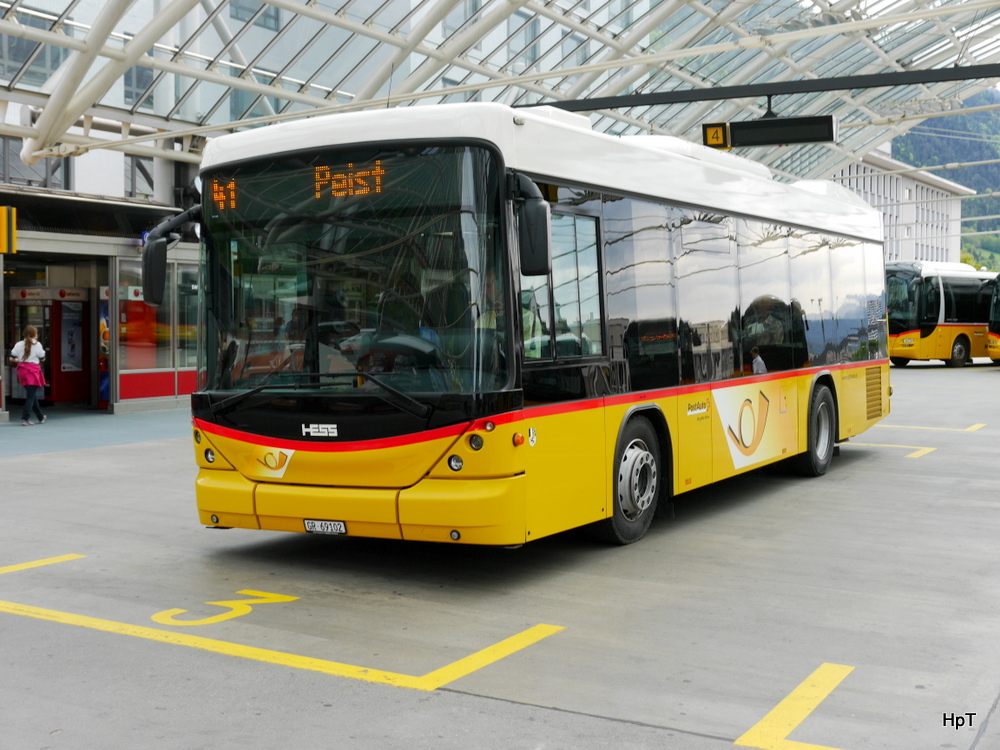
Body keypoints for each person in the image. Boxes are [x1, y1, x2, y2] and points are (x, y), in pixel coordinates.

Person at [9, 325, 47, 426]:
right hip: (33, 372)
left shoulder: (18, 344)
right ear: (35, 334)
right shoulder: (37, 344)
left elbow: (11, 358)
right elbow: (42, 358)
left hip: (22, 371)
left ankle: (40, 416)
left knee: (32, 395)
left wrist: (19, 360)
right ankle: (25, 418)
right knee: (30, 396)